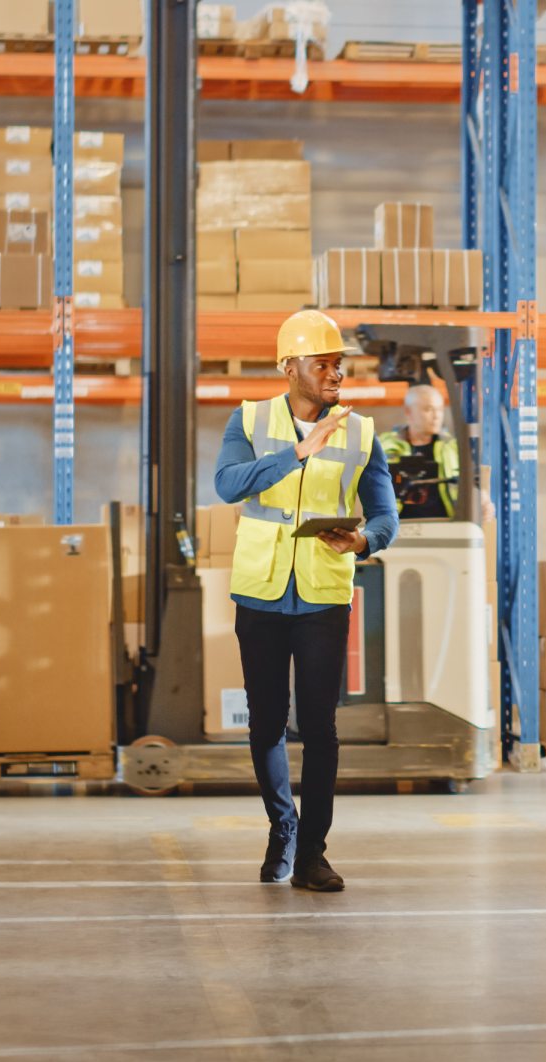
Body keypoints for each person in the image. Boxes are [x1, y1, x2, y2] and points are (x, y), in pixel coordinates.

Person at [213, 309, 399, 892]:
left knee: (319, 726)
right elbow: (226, 485)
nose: (334, 371)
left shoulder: (362, 432)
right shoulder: (247, 420)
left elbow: (387, 512)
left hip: (322, 595)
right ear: (288, 366)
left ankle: (313, 853)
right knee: (266, 723)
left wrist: (366, 539)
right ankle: (282, 829)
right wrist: (297, 451)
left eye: (338, 363)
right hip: (261, 593)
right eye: (322, 362)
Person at [378, 383, 460, 520]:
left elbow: (470, 485)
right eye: (428, 409)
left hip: (445, 525)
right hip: (399, 528)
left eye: (440, 410)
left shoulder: (452, 447)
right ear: (408, 412)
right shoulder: (385, 446)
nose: (436, 416)